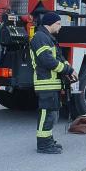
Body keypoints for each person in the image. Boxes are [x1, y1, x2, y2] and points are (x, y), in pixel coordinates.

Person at [30, 12, 78, 154]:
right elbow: (47, 61)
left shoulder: (48, 38)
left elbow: (58, 57)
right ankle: (43, 145)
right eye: (58, 24)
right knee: (47, 114)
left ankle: (48, 140)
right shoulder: (40, 38)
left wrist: (69, 69)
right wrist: (67, 70)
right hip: (46, 83)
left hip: (52, 83)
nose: (60, 27)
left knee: (53, 115)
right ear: (49, 23)